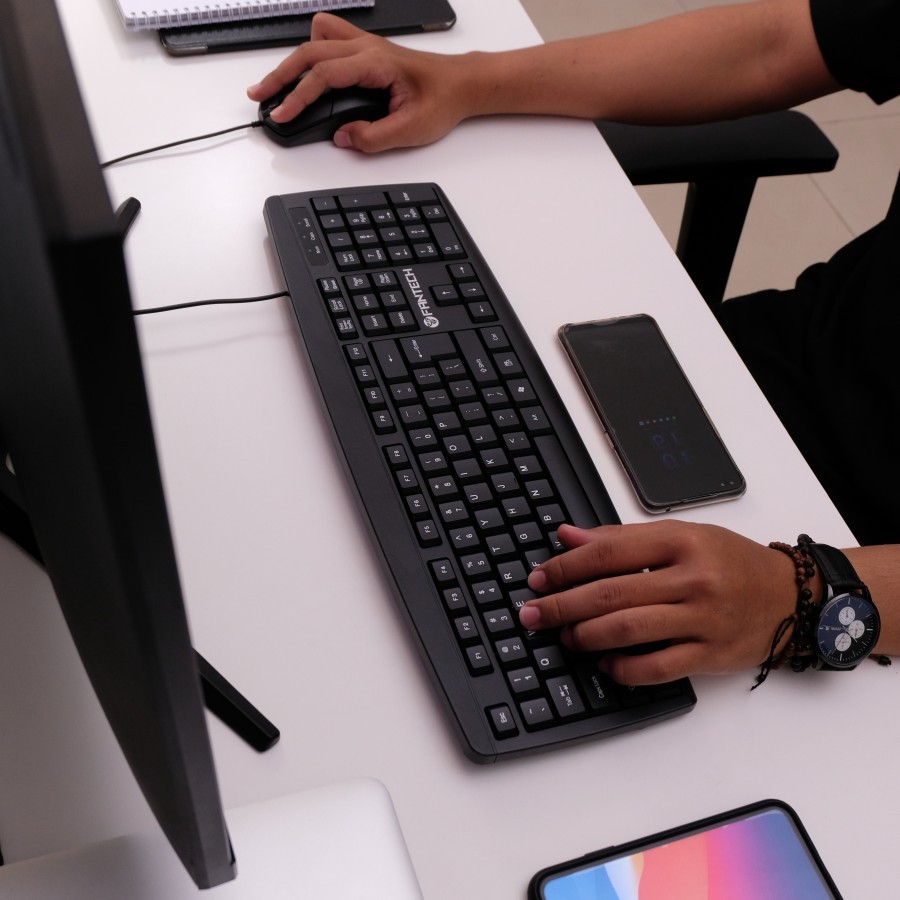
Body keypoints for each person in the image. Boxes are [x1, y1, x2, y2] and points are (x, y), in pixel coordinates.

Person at [248, 0, 900, 686]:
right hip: (787, 360)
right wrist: (471, 80)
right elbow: (779, 44)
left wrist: (798, 595)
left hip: (858, 575)